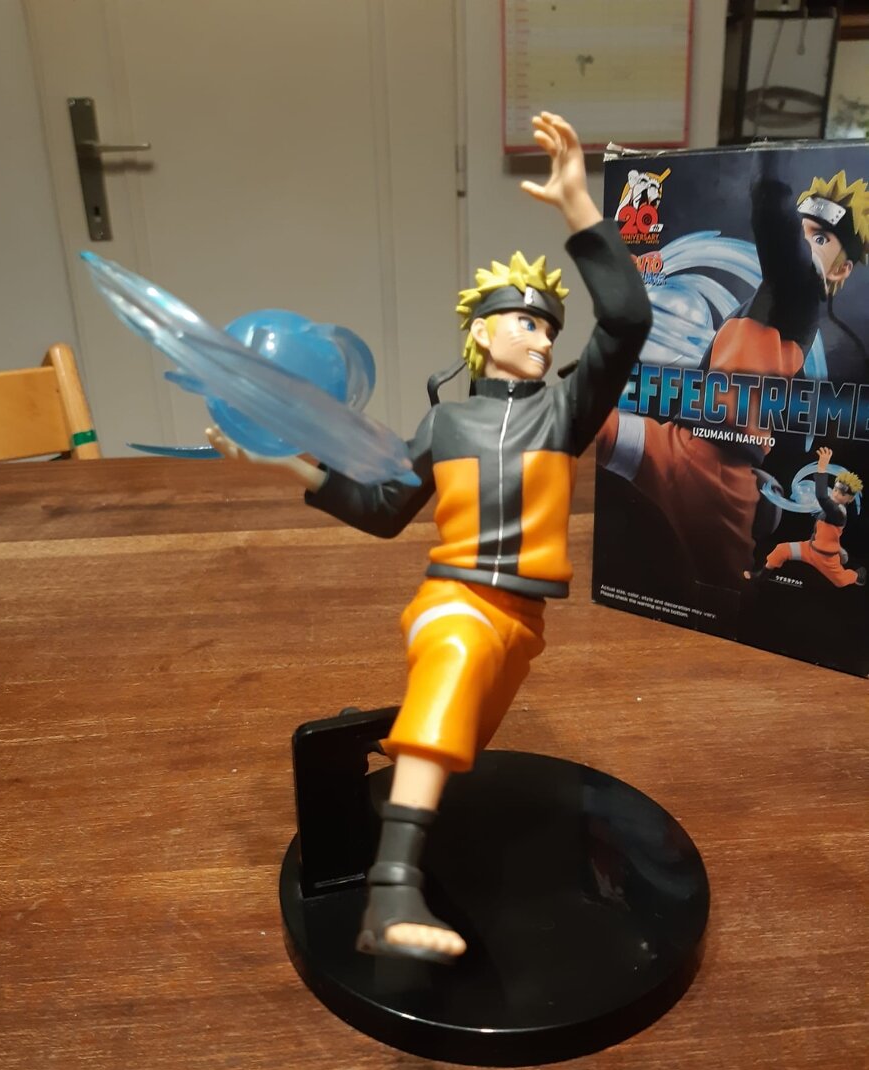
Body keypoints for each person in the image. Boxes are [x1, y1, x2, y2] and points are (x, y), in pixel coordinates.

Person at [209, 112, 651, 963]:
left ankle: (392, 782)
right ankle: (390, 895)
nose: (543, 338)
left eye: (550, 329)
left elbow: (627, 319)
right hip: (456, 602)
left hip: (524, 622)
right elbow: (383, 509)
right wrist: (284, 464)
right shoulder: (445, 424)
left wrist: (579, 209)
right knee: (450, 670)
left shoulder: (564, 413)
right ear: (481, 332)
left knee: (458, 744)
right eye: (525, 323)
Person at [596, 169, 869, 587]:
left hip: (721, 478)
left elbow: (779, 230)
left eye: (820, 238)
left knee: (726, 595)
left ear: (840, 269)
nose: (805, 243)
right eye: (804, 230)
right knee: (586, 421)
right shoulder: (764, 304)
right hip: (678, 443)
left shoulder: (800, 293)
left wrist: (769, 176)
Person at [748, 447, 865, 588]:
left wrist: (821, 468)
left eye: (842, 494)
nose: (836, 494)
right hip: (809, 549)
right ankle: (761, 575)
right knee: (781, 550)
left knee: (840, 581)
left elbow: (822, 497)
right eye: (835, 489)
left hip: (826, 558)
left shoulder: (838, 512)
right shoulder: (832, 507)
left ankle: (857, 575)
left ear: (850, 499)